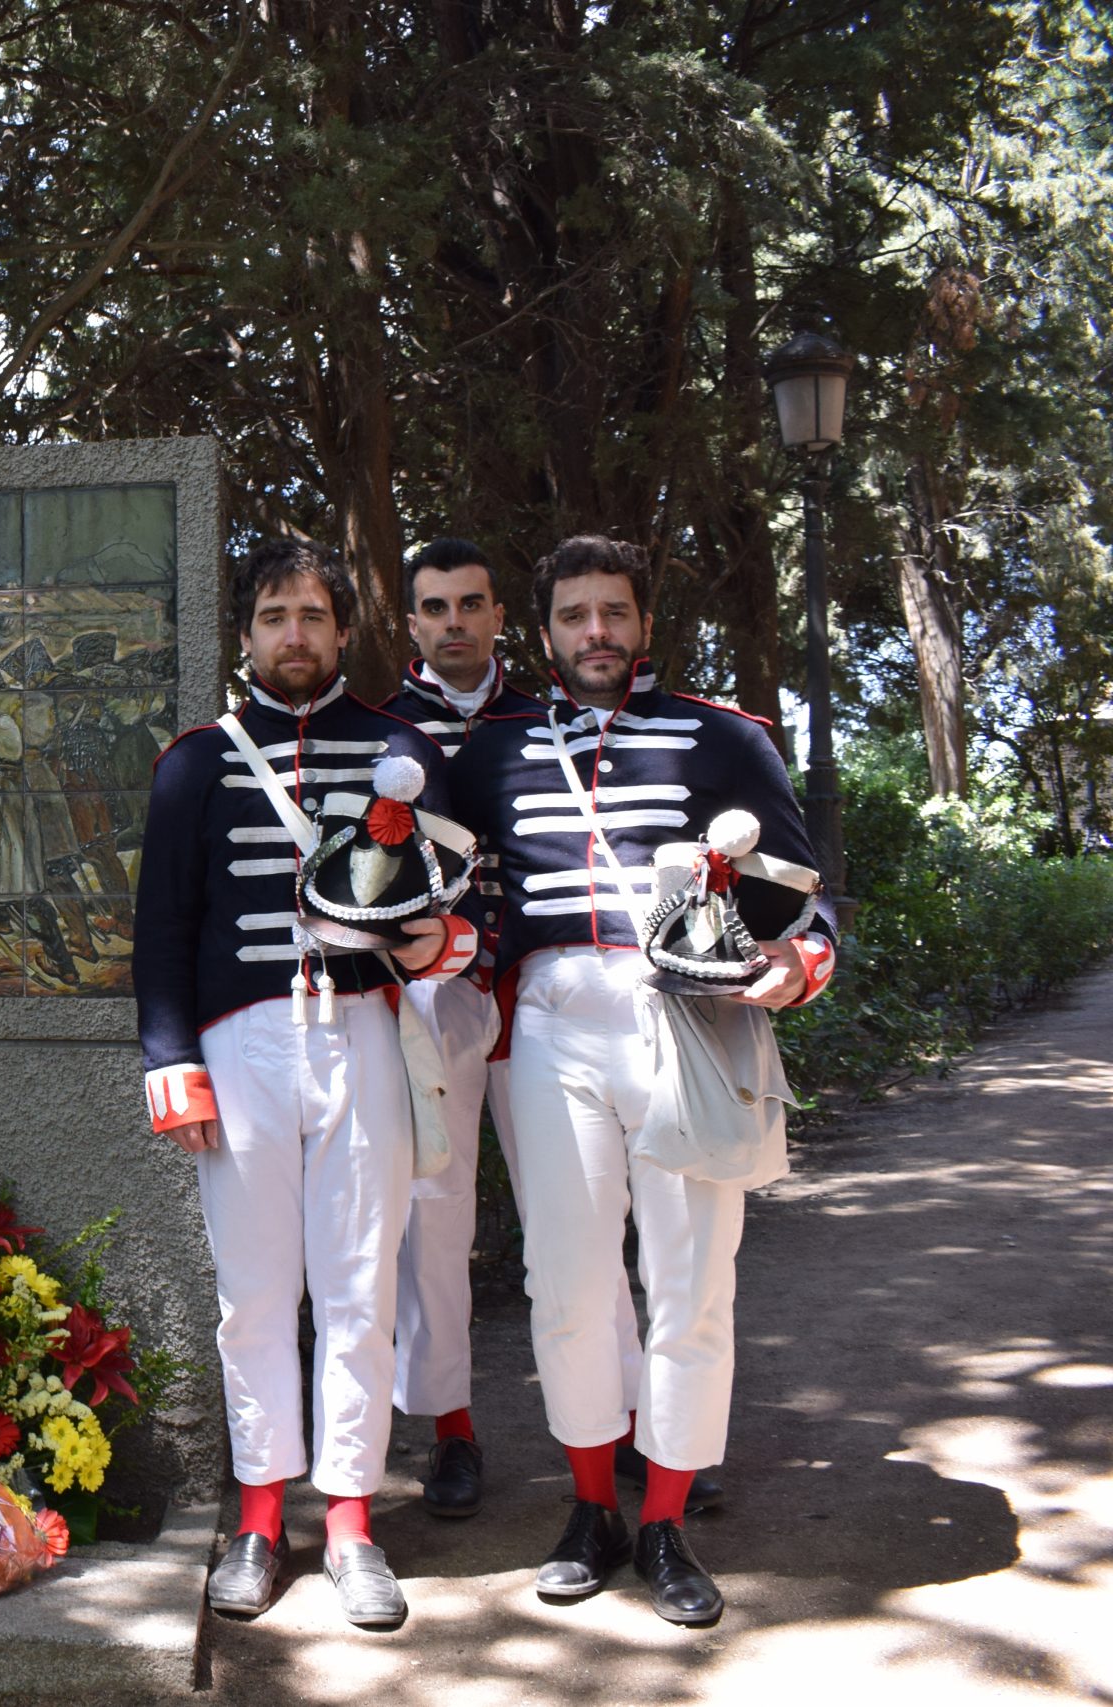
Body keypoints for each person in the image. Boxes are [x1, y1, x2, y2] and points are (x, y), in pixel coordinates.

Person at [450, 536, 835, 1624]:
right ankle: (592, 1508)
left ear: (644, 625)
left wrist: (803, 961)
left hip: (685, 1020)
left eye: (614, 613)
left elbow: (804, 894)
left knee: (690, 1279)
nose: (596, 634)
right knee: (566, 1281)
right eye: (575, 615)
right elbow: (444, 884)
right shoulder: (495, 749)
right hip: (550, 1029)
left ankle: (665, 1520)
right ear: (543, 632)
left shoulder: (724, 736)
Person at [133, 540, 477, 1627]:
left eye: (313, 616)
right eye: (275, 616)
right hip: (237, 1051)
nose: (295, 635)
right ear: (245, 635)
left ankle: (351, 1522)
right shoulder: (195, 761)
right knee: (251, 1296)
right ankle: (256, 1515)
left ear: (344, 631)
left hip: (364, 1034)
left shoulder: (399, 746)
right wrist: (171, 1060)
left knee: (357, 1291)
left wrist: (438, 945)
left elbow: (461, 897)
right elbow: (161, 928)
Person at [377, 538, 545, 1519]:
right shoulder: (384, 729)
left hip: (537, 989)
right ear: (411, 623)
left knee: (572, 1211)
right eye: (434, 607)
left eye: (470, 604)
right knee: (434, 1215)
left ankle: (619, 1422)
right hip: (432, 999)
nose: (454, 622)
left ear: (497, 615)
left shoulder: (543, 720)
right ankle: (451, 1428)